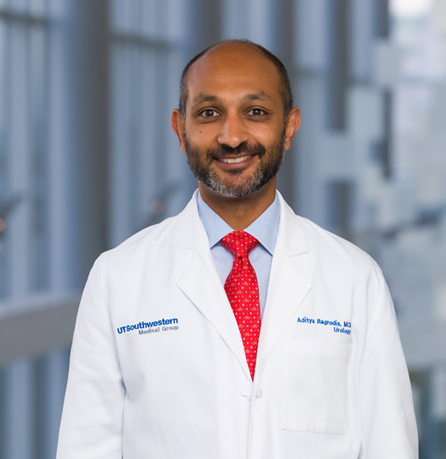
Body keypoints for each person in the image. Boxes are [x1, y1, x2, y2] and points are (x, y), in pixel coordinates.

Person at [56, 39, 418, 458]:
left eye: (256, 112)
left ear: (290, 127)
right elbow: (86, 445)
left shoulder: (355, 277)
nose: (232, 137)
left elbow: (390, 444)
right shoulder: (116, 277)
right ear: (180, 129)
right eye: (209, 113)